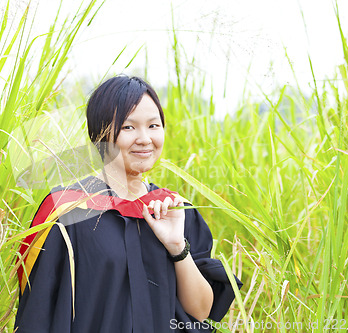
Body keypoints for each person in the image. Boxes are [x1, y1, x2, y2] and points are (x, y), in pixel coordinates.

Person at [14, 75, 242, 332]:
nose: (145, 139)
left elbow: (200, 311)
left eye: (154, 126)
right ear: (99, 134)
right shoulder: (67, 212)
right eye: (128, 127)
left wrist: (178, 247)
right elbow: (39, 312)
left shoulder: (174, 210)